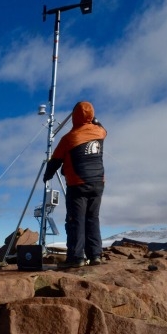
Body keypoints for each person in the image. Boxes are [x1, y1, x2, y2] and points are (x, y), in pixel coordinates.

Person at [43, 100, 107, 268]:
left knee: (76, 220)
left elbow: (55, 160)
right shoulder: (100, 132)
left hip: (78, 184)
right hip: (98, 183)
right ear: (92, 115)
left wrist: (47, 176)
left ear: (74, 117)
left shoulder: (70, 138)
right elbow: (104, 129)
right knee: (93, 218)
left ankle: (76, 258)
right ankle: (95, 255)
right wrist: (95, 121)